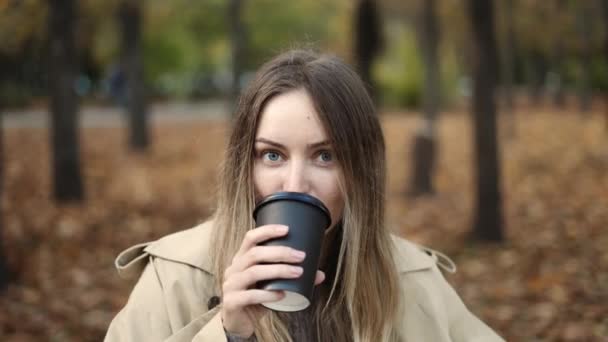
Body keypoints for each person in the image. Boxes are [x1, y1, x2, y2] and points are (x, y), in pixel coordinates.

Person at [104, 50, 504, 342]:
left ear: (360, 172)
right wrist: (228, 333)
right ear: (246, 164)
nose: (295, 183)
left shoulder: (411, 279)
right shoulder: (176, 276)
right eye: (272, 155)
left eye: (325, 156)